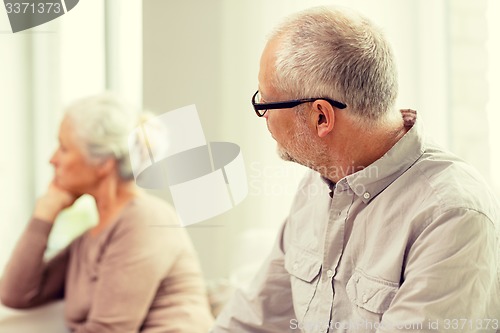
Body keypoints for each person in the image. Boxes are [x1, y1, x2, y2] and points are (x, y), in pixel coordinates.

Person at [211, 6, 500, 333]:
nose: (263, 118)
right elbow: (255, 320)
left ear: (321, 117)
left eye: (264, 104)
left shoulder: (453, 215)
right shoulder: (317, 185)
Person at [0, 93, 214, 332]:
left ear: (103, 163)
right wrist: (43, 216)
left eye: (63, 148)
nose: (52, 160)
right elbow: (15, 294)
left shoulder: (146, 220)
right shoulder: (92, 237)